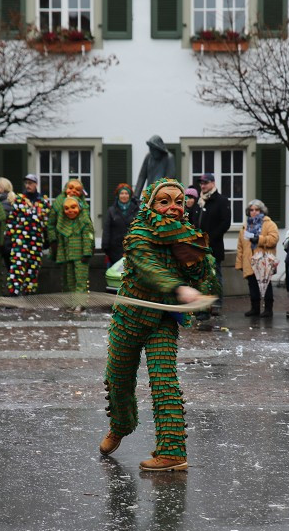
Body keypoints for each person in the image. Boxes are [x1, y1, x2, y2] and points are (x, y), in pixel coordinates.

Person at [98, 178, 219, 472]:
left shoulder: (188, 234)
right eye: (164, 201)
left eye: (178, 201)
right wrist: (178, 287)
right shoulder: (139, 233)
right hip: (129, 318)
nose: (173, 208)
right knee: (118, 380)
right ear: (151, 205)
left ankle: (172, 452)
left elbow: (207, 275)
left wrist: (197, 267)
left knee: (164, 381)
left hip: (162, 321)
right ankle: (122, 424)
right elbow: (147, 267)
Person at [52, 180, 95, 302]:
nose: (70, 210)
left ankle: (80, 303)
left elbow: (88, 237)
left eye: (73, 207)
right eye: (66, 208)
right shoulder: (63, 223)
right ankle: (71, 302)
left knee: (80, 280)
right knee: (70, 281)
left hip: (80, 256)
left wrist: (87, 252)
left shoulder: (84, 221)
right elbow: (61, 241)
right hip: (68, 256)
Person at [6, 177, 50, 296]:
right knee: (17, 266)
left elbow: (47, 222)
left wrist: (47, 240)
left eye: (30, 183)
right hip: (20, 240)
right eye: (26, 183)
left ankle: (29, 294)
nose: (27, 185)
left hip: (36, 241)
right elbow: (12, 219)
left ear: (36, 184)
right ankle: (14, 293)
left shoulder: (43, 202)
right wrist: (10, 238)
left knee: (33, 268)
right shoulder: (19, 200)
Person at [236, 199, 278, 317]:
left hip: (263, 260)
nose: (254, 212)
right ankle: (255, 308)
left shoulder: (269, 224)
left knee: (266, 285)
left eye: (256, 210)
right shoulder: (245, 227)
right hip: (249, 260)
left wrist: (259, 239)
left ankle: (268, 309)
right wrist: (240, 263)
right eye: (251, 210)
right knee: (252, 286)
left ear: (262, 211)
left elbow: (274, 239)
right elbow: (240, 247)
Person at [196, 173, 230, 315]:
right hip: (198, 247)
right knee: (200, 276)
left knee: (215, 275)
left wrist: (210, 238)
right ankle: (202, 304)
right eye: (201, 183)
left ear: (213, 183)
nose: (203, 185)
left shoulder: (221, 200)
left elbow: (225, 223)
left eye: (206, 183)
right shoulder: (200, 201)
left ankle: (216, 303)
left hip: (213, 246)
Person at [102, 183, 137, 266]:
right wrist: (105, 246)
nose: (124, 196)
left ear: (130, 195)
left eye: (126, 193)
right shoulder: (111, 211)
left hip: (132, 248)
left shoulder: (136, 210)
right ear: (118, 195)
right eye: (122, 193)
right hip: (114, 249)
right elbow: (107, 229)